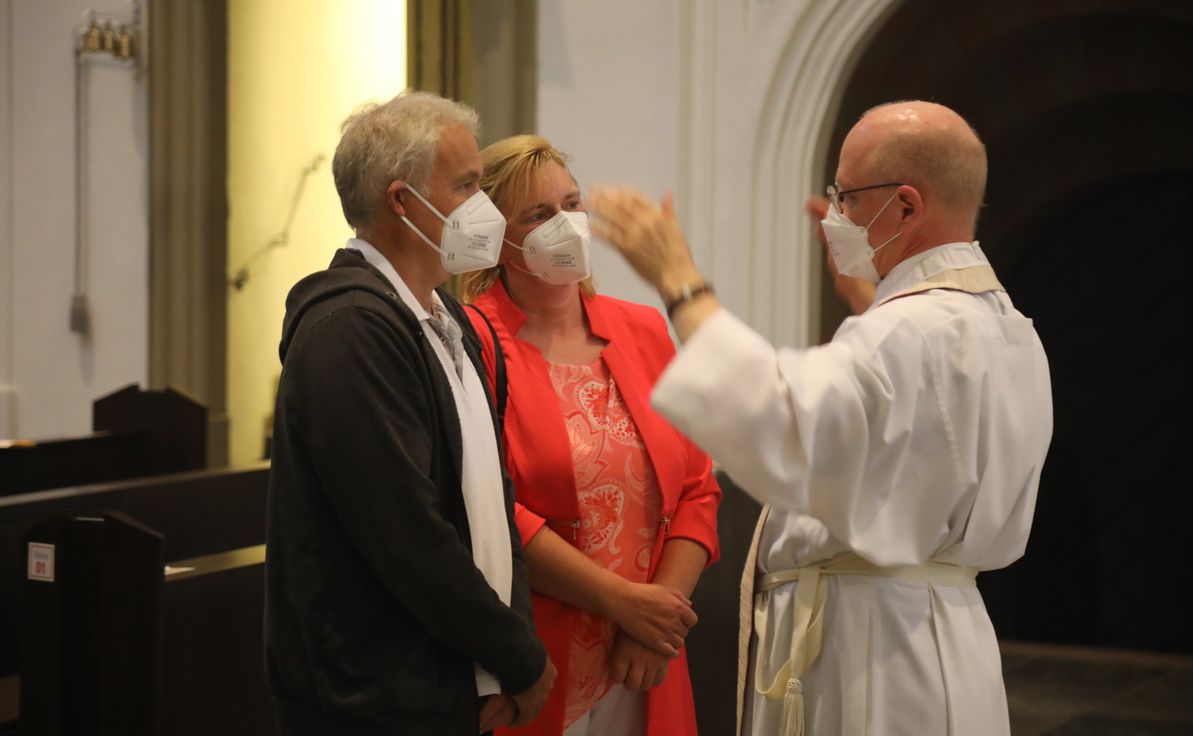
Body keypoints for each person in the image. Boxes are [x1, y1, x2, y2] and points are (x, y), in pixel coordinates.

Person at [588, 100, 1053, 736]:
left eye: (848, 195)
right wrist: (872, 304)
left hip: (871, 655)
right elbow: (903, 430)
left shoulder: (910, 332)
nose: (837, 214)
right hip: (939, 630)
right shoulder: (1004, 326)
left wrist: (679, 280)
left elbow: (784, 422)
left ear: (907, 207)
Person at [265, 92, 555, 735]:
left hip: (451, 690)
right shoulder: (349, 331)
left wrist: (501, 665)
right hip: (370, 705)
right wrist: (520, 657)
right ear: (402, 201)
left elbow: (489, 500)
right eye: (468, 185)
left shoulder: (445, 318)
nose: (485, 208)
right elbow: (405, 534)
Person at [458, 135, 721, 736]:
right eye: (540, 215)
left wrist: (656, 621)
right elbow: (490, 510)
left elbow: (699, 491)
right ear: (498, 240)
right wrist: (621, 602)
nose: (568, 225)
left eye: (572, 205)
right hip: (537, 663)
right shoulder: (474, 341)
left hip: (646, 661)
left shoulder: (644, 329)